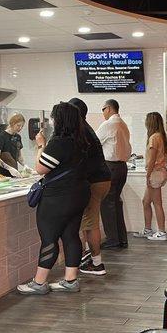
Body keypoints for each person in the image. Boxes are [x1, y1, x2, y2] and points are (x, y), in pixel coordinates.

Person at [17, 102, 90, 295]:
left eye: (52, 117)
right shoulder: (82, 141)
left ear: (59, 120)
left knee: (49, 238)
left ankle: (39, 283)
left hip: (57, 198)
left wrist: (41, 145)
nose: (51, 120)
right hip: (79, 194)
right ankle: (70, 280)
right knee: (71, 235)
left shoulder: (59, 143)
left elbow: (41, 168)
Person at [68, 98, 111, 275]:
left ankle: (97, 264)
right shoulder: (87, 128)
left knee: (90, 222)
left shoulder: (80, 131)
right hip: (103, 178)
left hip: (94, 181)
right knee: (89, 220)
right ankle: (89, 257)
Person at [96, 99, 132, 249]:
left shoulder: (108, 124)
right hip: (122, 167)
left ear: (109, 108)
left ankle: (112, 239)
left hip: (111, 167)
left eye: (103, 109)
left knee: (107, 203)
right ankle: (121, 238)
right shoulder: (123, 124)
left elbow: (93, 143)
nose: (103, 113)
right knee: (116, 202)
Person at [134, 112, 167, 241]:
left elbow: (152, 159)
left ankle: (161, 232)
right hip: (159, 172)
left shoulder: (154, 137)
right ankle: (148, 229)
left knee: (157, 203)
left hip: (154, 173)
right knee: (146, 201)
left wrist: (147, 175)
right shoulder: (161, 136)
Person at [0, 114, 32, 178]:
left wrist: (25, 165)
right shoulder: (1, 137)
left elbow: (19, 156)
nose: (20, 128)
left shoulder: (18, 137)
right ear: (12, 123)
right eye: (18, 125)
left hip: (14, 172)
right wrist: (9, 168)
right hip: (1, 174)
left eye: (22, 126)